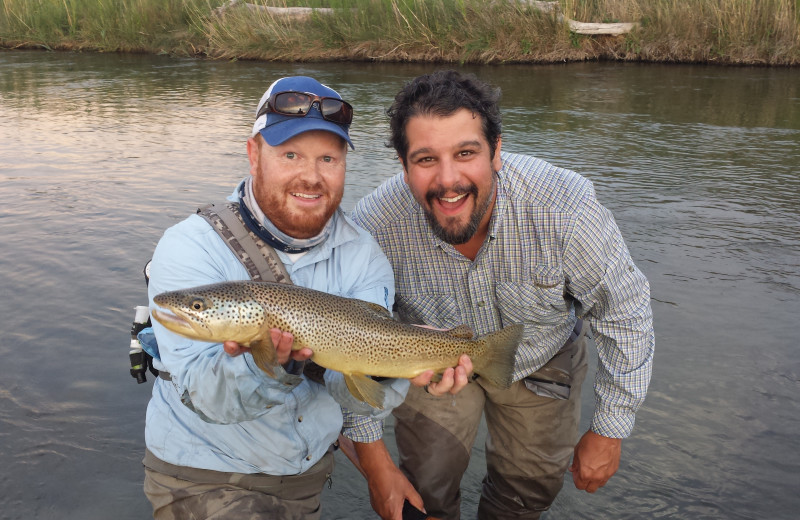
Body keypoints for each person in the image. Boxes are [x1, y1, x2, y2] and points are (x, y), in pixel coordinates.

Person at [351, 70, 655, 519]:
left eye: (466, 152)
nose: (448, 180)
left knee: (524, 497)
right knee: (424, 494)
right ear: (403, 164)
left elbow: (624, 312)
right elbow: (352, 339)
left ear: (496, 151)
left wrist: (609, 429)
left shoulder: (564, 210)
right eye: (426, 159)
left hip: (542, 356)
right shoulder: (375, 225)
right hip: (429, 364)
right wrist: (374, 461)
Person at [143, 75, 423, 520]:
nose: (310, 177)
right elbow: (202, 395)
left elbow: (354, 396)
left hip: (307, 473)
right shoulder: (190, 247)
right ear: (254, 155)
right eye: (290, 155)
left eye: (328, 158)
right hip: (204, 473)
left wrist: (400, 370)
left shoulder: (364, 256)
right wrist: (262, 363)